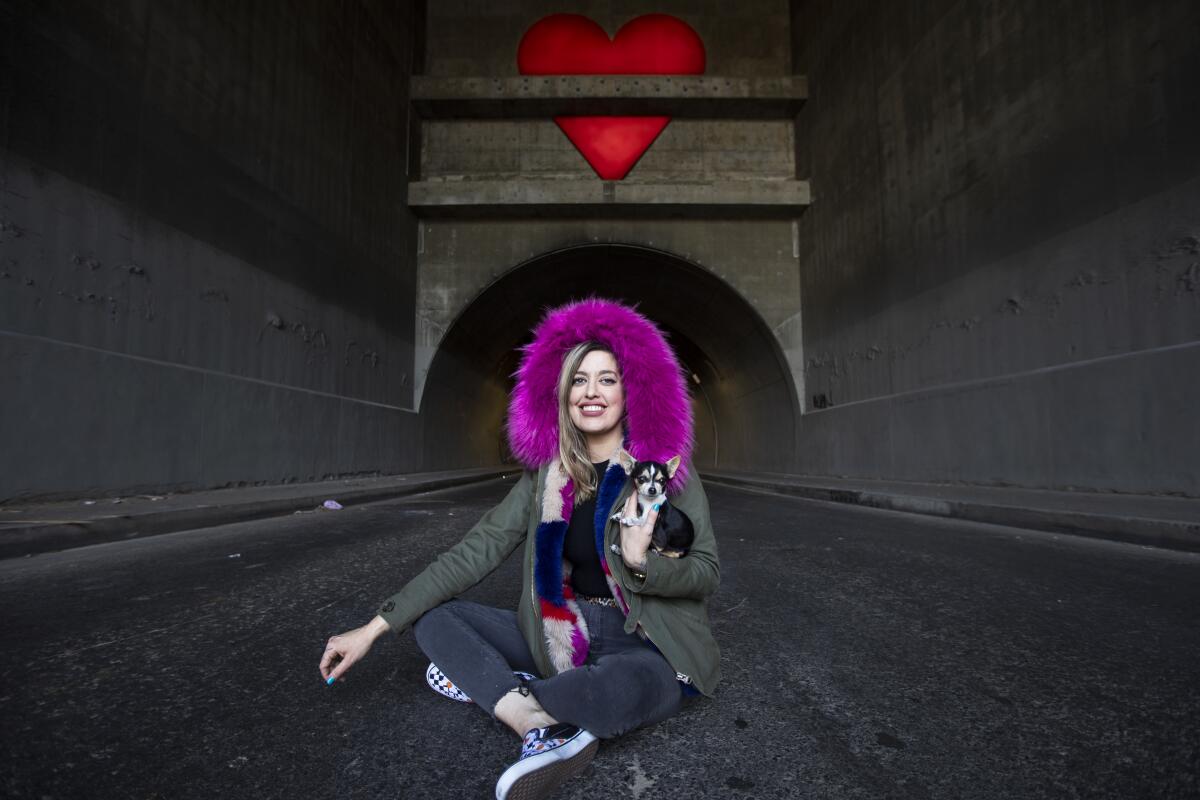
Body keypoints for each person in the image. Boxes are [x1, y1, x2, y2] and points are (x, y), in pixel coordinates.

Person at [319, 297, 721, 800]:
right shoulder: (544, 479)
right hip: (561, 631)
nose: (590, 392)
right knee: (435, 620)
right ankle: (527, 713)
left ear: (631, 392)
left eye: (607, 379)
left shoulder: (664, 474)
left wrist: (641, 563)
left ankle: (511, 689)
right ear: (561, 394)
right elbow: (477, 549)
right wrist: (374, 628)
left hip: (642, 644)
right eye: (579, 379)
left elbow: (705, 571)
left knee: (613, 689)